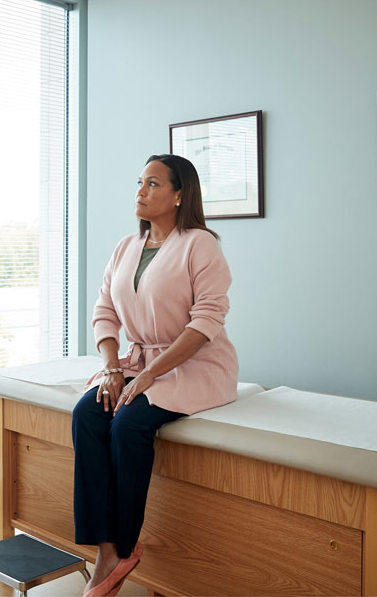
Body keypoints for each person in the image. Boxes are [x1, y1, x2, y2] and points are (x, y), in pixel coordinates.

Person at [72, 154, 239, 597]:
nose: (140, 191)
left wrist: (148, 377)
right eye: (139, 182)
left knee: (128, 424)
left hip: (196, 366)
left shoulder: (200, 244)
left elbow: (206, 322)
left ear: (179, 194)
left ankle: (125, 546)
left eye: (152, 183)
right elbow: (104, 312)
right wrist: (113, 369)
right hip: (137, 363)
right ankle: (107, 549)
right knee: (89, 412)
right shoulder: (126, 247)